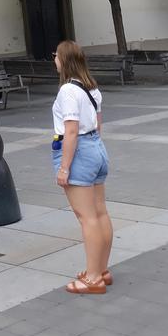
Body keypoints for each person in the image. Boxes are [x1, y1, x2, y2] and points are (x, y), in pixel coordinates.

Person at [52, 40, 113, 296]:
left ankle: (93, 278)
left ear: (64, 60)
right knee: (100, 213)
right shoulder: (91, 88)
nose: (53, 59)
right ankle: (101, 270)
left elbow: (71, 130)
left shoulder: (67, 90)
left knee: (86, 217)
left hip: (78, 152)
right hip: (96, 148)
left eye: (56, 55)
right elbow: (98, 125)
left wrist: (64, 167)